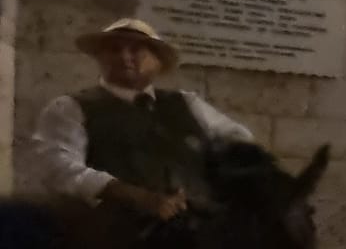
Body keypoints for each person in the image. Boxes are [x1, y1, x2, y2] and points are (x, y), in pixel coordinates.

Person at [26, 18, 254, 218]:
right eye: (114, 49)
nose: (125, 56)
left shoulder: (187, 103)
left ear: (157, 61)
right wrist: (133, 195)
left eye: (136, 50)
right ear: (101, 58)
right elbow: (58, 166)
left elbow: (239, 139)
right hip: (112, 236)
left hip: (195, 235)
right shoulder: (71, 108)